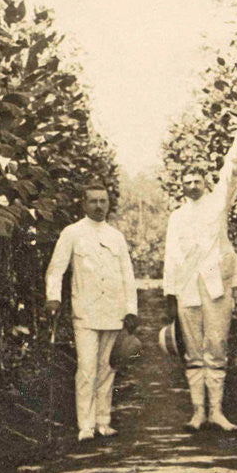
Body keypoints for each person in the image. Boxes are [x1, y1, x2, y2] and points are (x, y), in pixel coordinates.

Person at [163, 121, 237, 431]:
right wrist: (170, 297)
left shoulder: (217, 206)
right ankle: (198, 412)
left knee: (217, 346)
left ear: (205, 183)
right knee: (193, 351)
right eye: (188, 181)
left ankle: (217, 411)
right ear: (182, 186)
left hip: (216, 286)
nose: (193, 185)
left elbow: (230, 172)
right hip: (187, 289)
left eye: (198, 180)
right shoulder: (177, 218)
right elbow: (171, 257)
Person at [45, 181, 139, 441]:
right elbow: (56, 269)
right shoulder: (72, 233)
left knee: (107, 368)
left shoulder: (115, 236)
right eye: (94, 201)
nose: (99, 206)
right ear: (84, 204)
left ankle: (103, 421)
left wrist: (131, 309)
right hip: (85, 311)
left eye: (103, 201)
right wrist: (53, 297)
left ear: (109, 204)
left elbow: (127, 276)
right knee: (86, 369)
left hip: (113, 311)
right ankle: (85, 426)